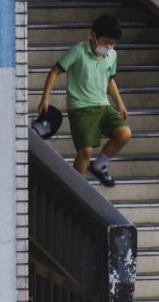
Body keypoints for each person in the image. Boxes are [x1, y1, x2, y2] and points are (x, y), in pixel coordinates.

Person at [37, 13, 131, 186]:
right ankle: (77, 189)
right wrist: (45, 98)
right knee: (86, 151)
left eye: (112, 43)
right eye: (105, 41)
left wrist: (120, 103)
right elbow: (55, 71)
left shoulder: (112, 55)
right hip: (80, 108)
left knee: (124, 133)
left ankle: (100, 165)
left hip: (103, 106)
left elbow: (109, 80)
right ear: (93, 35)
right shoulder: (78, 51)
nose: (108, 46)